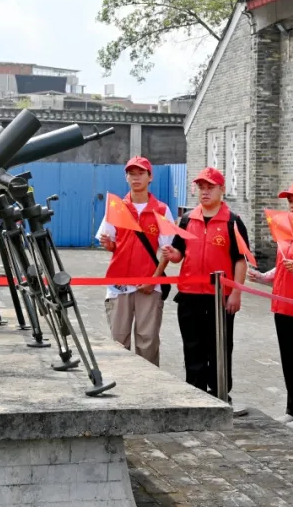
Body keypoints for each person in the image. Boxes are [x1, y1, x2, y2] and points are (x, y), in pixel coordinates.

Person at [162, 167, 250, 415]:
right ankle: (195, 392)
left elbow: (240, 260)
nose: (205, 191)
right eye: (201, 187)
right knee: (192, 346)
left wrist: (236, 293)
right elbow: (179, 254)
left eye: (210, 187)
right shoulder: (187, 219)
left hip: (219, 297)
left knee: (219, 346)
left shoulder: (233, 221)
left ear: (222, 189)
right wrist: (172, 254)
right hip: (189, 294)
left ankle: (220, 393)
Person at [248, 179, 293, 430]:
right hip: (282, 302)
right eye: (290, 201)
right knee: (289, 358)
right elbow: (282, 265)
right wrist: (263, 277)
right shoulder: (286, 230)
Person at [96, 157, 173, 366]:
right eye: (131, 174)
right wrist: (108, 244)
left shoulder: (162, 210)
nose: (136, 178)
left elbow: (167, 251)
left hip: (148, 285)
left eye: (141, 173)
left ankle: (148, 383)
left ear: (150, 177)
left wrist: (153, 279)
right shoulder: (116, 207)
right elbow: (112, 244)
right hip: (119, 283)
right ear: (126, 178)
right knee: (118, 341)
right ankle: (121, 381)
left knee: (147, 341)